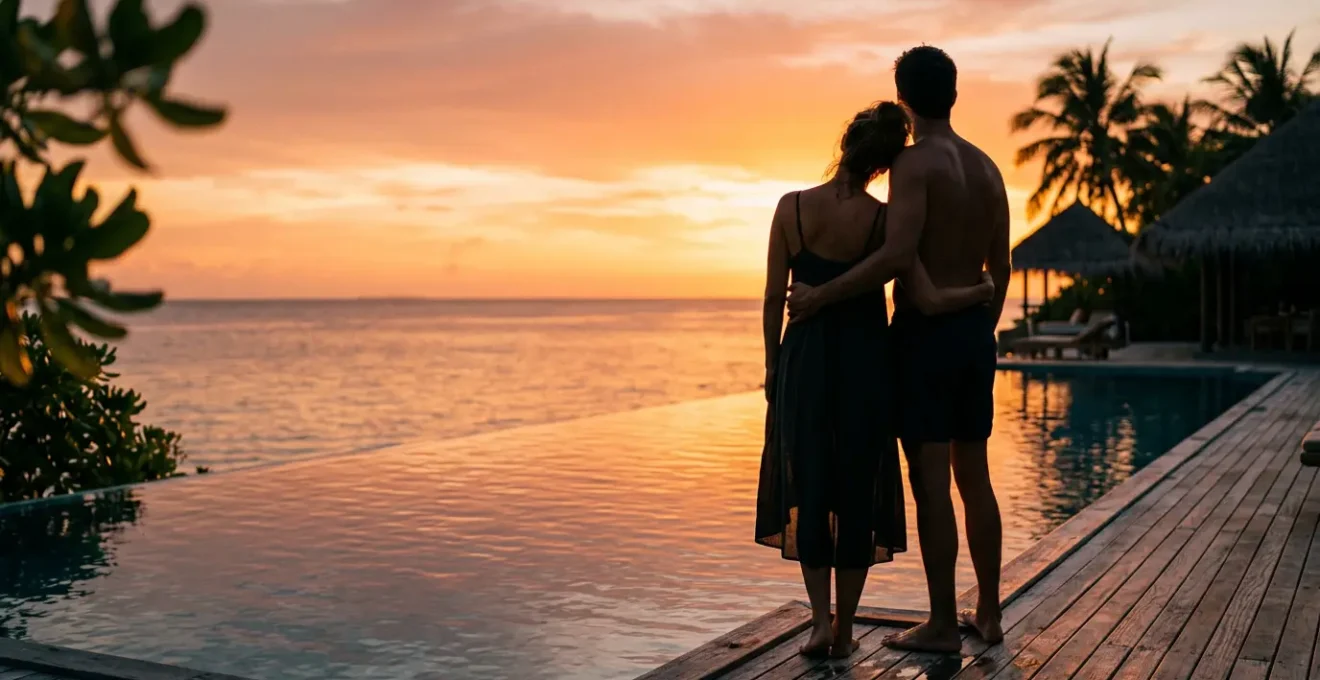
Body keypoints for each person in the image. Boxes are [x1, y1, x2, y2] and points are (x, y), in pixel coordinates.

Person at [786, 45, 1013, 654]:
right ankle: (988, 614)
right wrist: (979, 325)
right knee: (977, 478)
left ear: (905, 101)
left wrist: (819, 296)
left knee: (932, 485)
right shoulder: (988, 167)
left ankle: (942, 623)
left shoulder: (915, 165)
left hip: (925, 337)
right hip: (973, 336)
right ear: (955, 94)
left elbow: (893, 256)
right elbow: (1003, 266)